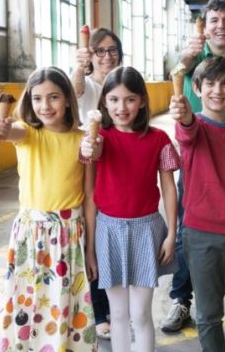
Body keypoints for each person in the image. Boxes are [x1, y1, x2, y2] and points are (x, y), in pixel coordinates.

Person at [162, 0, 225, 332]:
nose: (220, 25)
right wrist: (186, 58)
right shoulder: (193, 59)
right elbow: (176, 75)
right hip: (199, 153)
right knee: (188, 232)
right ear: (204, 26)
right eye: (213, 20)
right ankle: (181, 299)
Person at [0, 67, 96, 351]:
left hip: (69, 237)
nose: (45, 106)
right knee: (29, 302)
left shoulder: (82, 140)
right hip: (30, 235)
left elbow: (89, 195)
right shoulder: (28, 133)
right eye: (37, 99)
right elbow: (8, 130)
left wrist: (91, 249)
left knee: (65, 304)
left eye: (53, 97)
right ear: (29, 102)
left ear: (69, 100)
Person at [80, 66, 179, 352]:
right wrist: (89, 248)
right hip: (108, 231)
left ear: (143, 101)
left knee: (140, 314)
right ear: (104, 103)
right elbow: (92, 157)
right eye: (113, 100)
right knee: (119, 314)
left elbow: (169, 188)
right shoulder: (99, 139)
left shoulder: (158, 139)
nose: (121, 107)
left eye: (130, 99)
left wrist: (172, 233)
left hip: (147, 230)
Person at [72, 27, 123, 340]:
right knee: (91, 239)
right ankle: (99, 311)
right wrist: (78, 67)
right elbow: (75, 88)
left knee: (110, 241)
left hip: (117, 170)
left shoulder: (123, 81)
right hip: (89, 170)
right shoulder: (87, 85)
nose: (107, 56)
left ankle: (115, 307)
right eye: (99, 51)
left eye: (112, 49)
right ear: (90, 56)